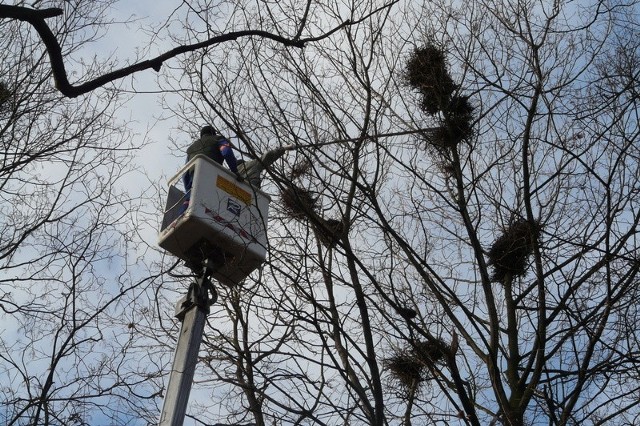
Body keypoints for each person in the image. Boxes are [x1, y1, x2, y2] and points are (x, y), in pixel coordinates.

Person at [181, 125, 239, 212]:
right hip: (212, 175)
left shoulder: (191, 149)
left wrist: (188, 189)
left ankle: (182, 216)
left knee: (189, 202)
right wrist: (235, 171)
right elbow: (227, 152)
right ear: (213, 133)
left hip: (194, 179)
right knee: (215, 206)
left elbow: (185, 173)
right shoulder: (218, 139)